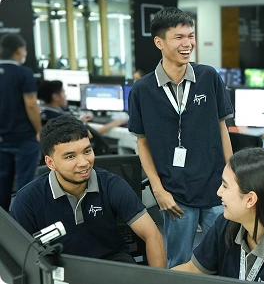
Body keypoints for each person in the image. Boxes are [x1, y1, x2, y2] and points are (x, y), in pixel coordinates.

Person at [128, 7, 233, 268]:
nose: (188, 44)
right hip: (175, 194)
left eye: (191, 35)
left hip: (216, 188)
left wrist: (232, 176)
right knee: (179, 263)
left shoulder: (208, 77)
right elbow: (142, 143)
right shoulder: (142, 90)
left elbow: (223, 128)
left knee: (224, 259)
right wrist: (158, 190)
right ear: (159, 42)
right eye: (179, 37)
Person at [10, 115, 166, 268]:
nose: (84, 163)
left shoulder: (112, 185)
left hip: (112, 265)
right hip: (60, 269)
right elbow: (20, 257)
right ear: (50, 163)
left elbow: (153, 235)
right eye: (70, 156)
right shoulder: (27, 199)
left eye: (87, 151)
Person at [172, 148, 264, 283]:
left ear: (250, 199)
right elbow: (193, 269)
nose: (219, 192)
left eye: (225, 186)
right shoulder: (225, 225)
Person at [0, 34, 42, 211]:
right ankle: (25, 227)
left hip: (2, 138)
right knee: (26, 185)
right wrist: (40, 130)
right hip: (24, 137)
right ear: (19, 50)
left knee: (2, 184)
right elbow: (31, 105)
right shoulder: (24, 73)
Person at [37, 80, 127, 133]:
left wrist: (79, 121)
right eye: (63, 92)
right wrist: (113, 124)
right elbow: (87, 135)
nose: (66, 96)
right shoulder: (57, 118)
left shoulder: (47, 113)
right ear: (55, 97)